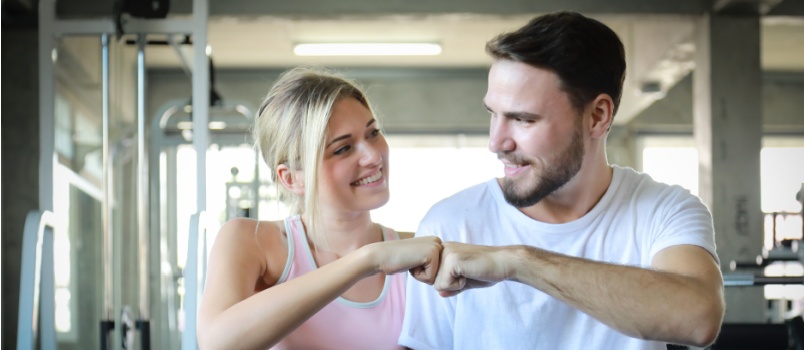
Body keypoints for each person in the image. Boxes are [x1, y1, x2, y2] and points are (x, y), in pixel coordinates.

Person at [399, 11, 725, 350]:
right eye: (493, 114)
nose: (496, 143)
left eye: (523, 119)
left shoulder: (665, 211)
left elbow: (699, 319)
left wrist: (518, 262)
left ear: (598, 116)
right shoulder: (452, 221)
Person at [197, 67, 442, 350]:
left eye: (373, 133)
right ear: (292, 178)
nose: (373, 156)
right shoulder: (250, 240)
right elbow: (217, 343)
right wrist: (368, 260)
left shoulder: (417, 250)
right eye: (343, 149)